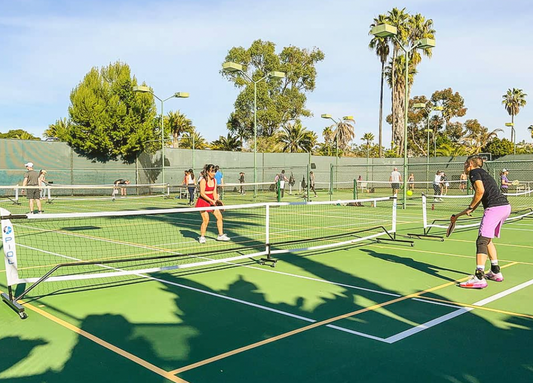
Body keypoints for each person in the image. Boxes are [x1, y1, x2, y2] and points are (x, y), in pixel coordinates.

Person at [452, 155, 511, 289]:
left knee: (481, 241)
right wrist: (470, 208)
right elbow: (482, 194)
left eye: (465, 164)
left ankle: (479, 277)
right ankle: (495, 271)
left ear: (469, 164)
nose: (464, 166)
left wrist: (471, 207)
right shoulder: (483, 173)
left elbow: (480, 191)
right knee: (488, 239)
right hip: (505, 207)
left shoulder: (473, 173)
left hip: (495, 207)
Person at [195, 164, 230, 244]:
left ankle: (220, 235)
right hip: (203, 201)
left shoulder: (214, 180)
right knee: (206, 220)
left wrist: (217, 201)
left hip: (212, 201)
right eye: (212, 171)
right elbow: (202, 194)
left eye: (215, 172)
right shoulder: (203, 180)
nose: (214, 173)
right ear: (207, 172)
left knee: (219, 217)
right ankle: (202, 237)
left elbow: (214, 192)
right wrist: (211, 200)